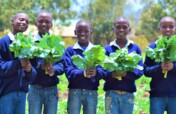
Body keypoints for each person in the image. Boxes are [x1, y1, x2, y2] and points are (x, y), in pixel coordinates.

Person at [64, 20, 105, 114]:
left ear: (91, 32)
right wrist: (83, 73)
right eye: (79, 30)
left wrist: (96, 72)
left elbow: (103, 70)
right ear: (75, 32)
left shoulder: (97, 50)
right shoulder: (70, 50)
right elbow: (68, 71)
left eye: (86, 31)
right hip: (75, 91)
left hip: (92, 92)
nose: (83, 33)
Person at [103, 16, 143, 114]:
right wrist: (111, 74)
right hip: (111, 93)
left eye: (124, 27)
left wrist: (126, 74)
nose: (121, 29)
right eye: (118, 27)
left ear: (129, 30)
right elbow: (101, 71)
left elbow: (140, 70)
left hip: (128, 94)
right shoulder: (107, 49)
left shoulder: (135, 48)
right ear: (113, 29)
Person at [28, 11, 64, 114]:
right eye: (41, 21)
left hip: (52, 89)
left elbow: (61, 65)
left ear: (51, 25)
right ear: (36, 24)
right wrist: (41, 66)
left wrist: (53, 70)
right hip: (35, 89)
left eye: (47, 22)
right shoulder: (31, 42)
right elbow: (28, 65)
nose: (44, 24)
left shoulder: (57, 42)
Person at [0, 13, 37, 114]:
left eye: (27, 22)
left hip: (22, 94)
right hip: (6, 93)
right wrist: (18, 63)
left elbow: (33, 74)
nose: (24, 22)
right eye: (21, 19)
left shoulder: (29, 45)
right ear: (12, 21)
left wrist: (29, 70)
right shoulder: (3, 42)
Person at [144, 16, 176, 114]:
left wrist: (173, 67)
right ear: (159, 29)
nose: (167, 29)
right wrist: (159, 68)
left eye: (171, 26)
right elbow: (146, 70)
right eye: (164, 26)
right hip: (157, 95)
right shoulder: (153, 47)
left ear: (175, 28)